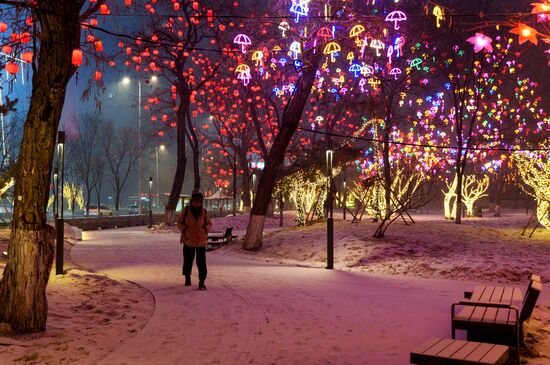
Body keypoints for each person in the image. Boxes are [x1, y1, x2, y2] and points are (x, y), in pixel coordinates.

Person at [177, 192, 212, 290]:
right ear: (192, 201)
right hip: (189, 240)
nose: (197, 204)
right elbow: (179, 223)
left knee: (201, 262)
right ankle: (187, 278)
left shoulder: (204, 212)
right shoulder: (186, 211)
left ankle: (202, 281)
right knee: (188, 261)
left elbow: (209, 224)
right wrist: (184, 229)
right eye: (195, 202)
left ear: (201, 202)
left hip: (201, 241)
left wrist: (205, 229)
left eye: (199, 202)